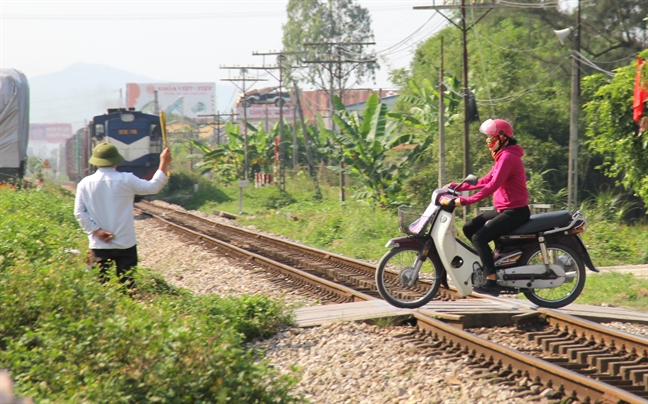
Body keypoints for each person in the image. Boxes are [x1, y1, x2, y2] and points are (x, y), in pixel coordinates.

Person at [447, 118, 530, 297]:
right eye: (487, 137)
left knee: (479, 238)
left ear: (503, 138)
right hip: (504, 208)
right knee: (469, 227)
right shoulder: (502, 157)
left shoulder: (508, 157)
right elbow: (485, 180)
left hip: (515, 211)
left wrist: (467, 201)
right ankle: (489, 264)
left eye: (491, 137)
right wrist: (457, 186)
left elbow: (492, 186)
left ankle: (491, 282)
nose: (488, 141)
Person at [74, 142, 171, 289]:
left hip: (99, 244)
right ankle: (128, 308)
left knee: (99, 286)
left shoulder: (84, 184)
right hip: (126, 243)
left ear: (96, 162)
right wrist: (163, 163)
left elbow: (79, 213)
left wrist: (96, 230)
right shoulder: (127, 179)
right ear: (116, 161)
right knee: (127, 285)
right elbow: (153, 187)